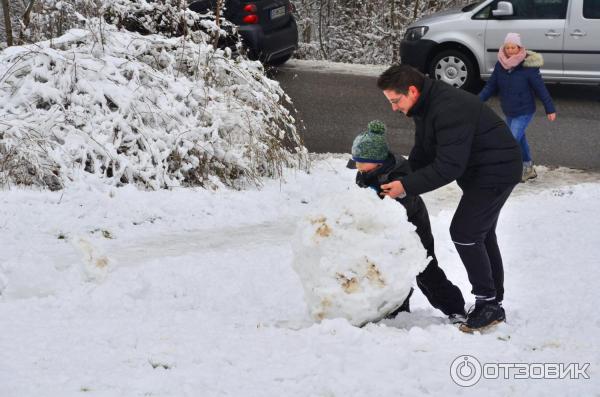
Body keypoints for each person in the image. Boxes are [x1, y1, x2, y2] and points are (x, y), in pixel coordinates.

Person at [375, 64, 522, 333]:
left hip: (496, 172)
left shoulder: (447, 108)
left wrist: (406, 186)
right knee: (481, 233)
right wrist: (398, 177)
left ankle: (488, 304)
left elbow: (448, 166)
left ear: (411, 90)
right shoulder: (426, 105)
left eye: (395, 101)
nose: (394, 108)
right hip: (483, 171)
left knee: (465, 232)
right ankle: (492, 301)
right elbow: (424, 150)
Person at [348, 120, 466, 324]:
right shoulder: (367, 173)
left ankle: (455, 309)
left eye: (360, 162)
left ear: (376, 160)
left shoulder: (399, 176)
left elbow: (402, 207)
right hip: (387, 232)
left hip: (413, 230)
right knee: (391, 269)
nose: (357, 167)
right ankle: (398, 309)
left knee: (425, 271)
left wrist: (379, 202)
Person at [479, 32, 557, 182]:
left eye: (513, 47)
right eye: (507, 47)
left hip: (525, 110)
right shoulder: (500, 65)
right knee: (519, 140)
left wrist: (550, 108)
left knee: (511, 140)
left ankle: (506, 172)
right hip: (509, 109)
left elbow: (540, 88)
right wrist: (476, 101)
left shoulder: (528, 66)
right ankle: (528, 169)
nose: (510, 51)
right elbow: (490, 86)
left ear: (519, 47)